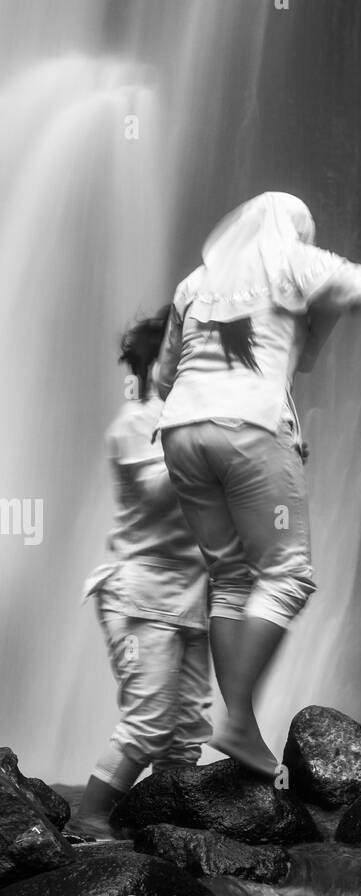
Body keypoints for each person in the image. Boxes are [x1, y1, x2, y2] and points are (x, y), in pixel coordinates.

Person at [156, 191, 361, 778]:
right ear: (293, 230)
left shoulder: (194, 282)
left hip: (179, 432)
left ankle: (240, 727)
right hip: (251, 429)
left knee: (230, 577)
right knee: (286, 576)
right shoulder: (293, 261)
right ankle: (235, 724)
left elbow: (163, 374)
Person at [69, 309, 211, 839]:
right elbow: (158, 488)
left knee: (187, 730)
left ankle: (165, 822)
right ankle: (90, 817)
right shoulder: (134, 423)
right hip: (136, 595)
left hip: (191, 596)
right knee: (149, 718)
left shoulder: (199, 425)